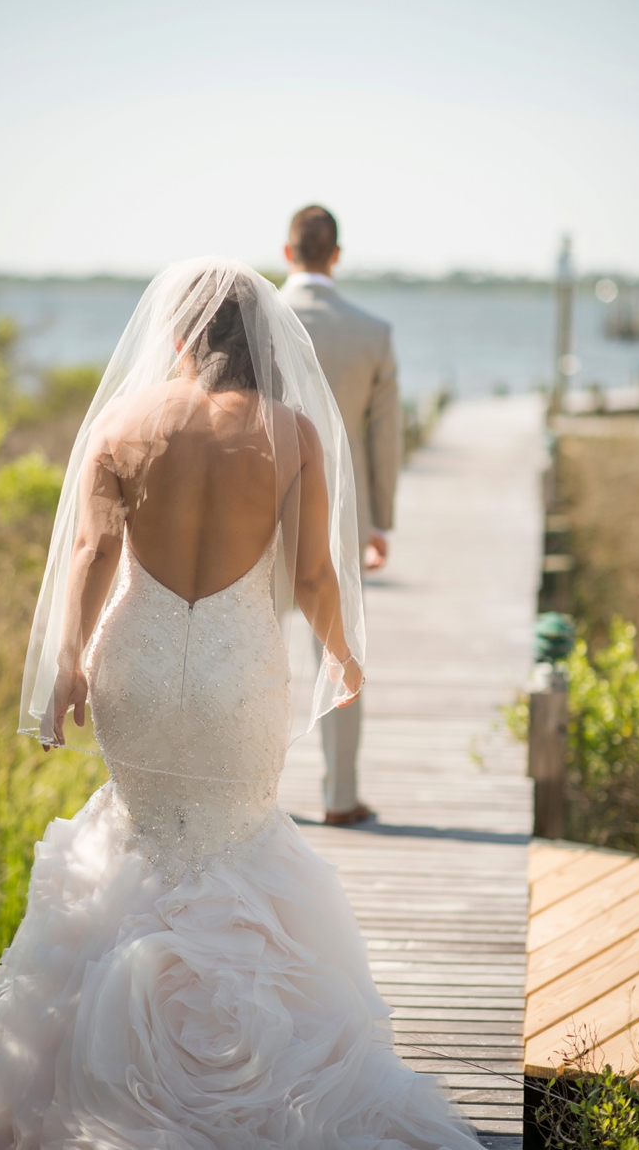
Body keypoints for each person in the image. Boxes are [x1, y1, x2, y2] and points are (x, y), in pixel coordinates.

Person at [0, 260, 477, 1150]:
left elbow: (92, 553)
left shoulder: (124, 420)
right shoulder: (289, 430)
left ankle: (91, 1070)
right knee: (231, 835)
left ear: (175, 334)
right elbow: (312, 573)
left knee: (142, 834)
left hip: (132, 665)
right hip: (235, 672)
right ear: (258, 340)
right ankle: (239, 1067)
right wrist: (342, 649)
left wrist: (67, 662)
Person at [281, 206, 400, 826]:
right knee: (341, 644)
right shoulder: (372, 332)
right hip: (342, 513)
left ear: (286, 251)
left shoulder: (256, 321)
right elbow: (384, 436)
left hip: (259, 509)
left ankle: (250, 794)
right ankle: (339, 797)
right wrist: (380, 522)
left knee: (255, 642)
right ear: (336, 255)